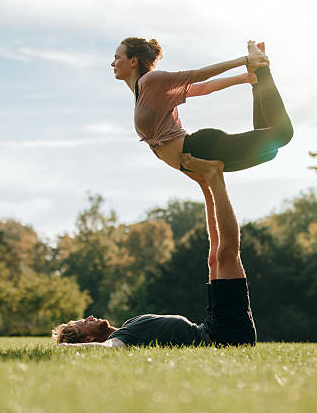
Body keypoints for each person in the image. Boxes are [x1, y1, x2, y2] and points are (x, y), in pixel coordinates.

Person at [52, 165, 256, 347]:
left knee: (214, 258)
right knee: (226, 254)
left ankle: (207, 185)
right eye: (84, 323)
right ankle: (215, 177)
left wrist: (203, 186)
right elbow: (108, 348)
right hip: (225, 336)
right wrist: (70, 347)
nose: (89, 317)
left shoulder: (129, 326)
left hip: (212, 325)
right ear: (88, 339)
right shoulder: (124, 338)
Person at [112, 37, 293, 173]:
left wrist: (246, 60)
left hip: (199, 147)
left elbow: (199, 75)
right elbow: (204, 88)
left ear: (133, 61)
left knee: (282, 135)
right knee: (270, 151)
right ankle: (257, 80)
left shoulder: (151, 80)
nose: (113, 63)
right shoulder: (145, 92)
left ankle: (262, 67)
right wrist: (245, 79)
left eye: (117, 57)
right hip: (194, 160)